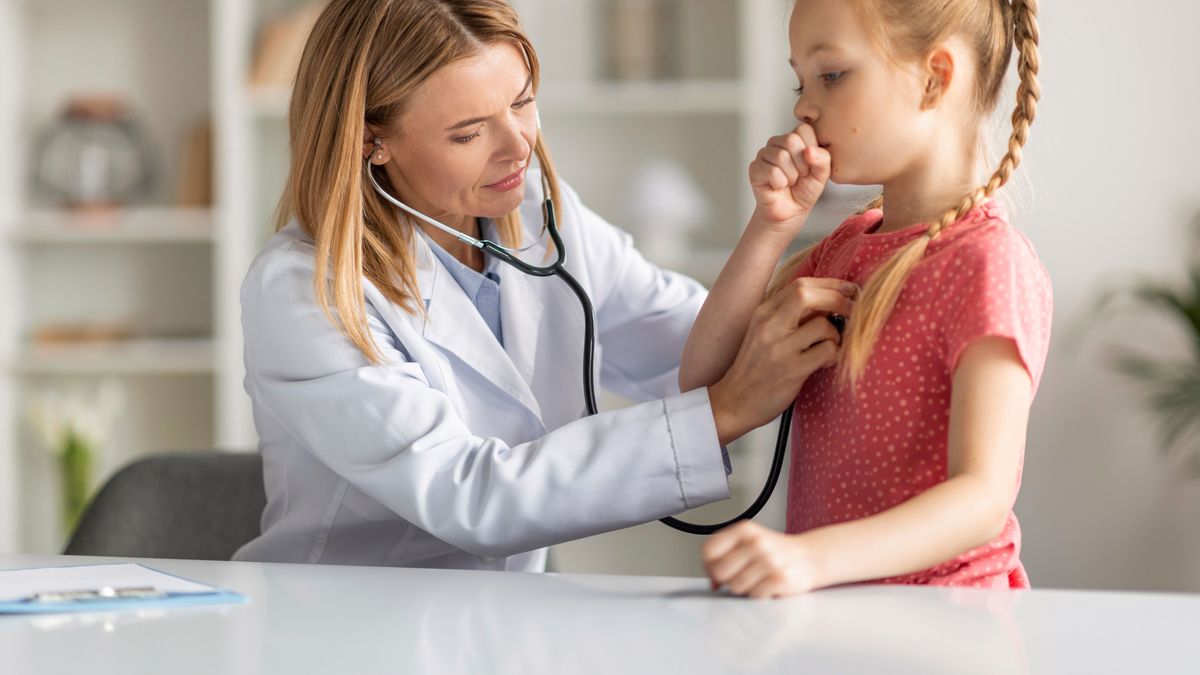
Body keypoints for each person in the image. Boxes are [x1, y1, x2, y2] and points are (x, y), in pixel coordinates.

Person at [232, 0, 854, 571]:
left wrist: (771, 229)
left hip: (496, 619)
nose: (518, 147)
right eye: (468, 132)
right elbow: (469, 495)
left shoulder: (544, 219)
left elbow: (698, 346)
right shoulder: (303, 290)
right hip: (340, 624)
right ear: (372, 140)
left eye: (522, 102)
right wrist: (724, 414)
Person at [687, 0, 1051, 597]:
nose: (803, 106)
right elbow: (704, 378)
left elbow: (981, 497)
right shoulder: (846, 247)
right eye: (799, 81)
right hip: (841, 615)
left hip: (946, 622)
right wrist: (770, 227)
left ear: (935, 78)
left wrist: (811, 559)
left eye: (831, 75)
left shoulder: (987, 263)